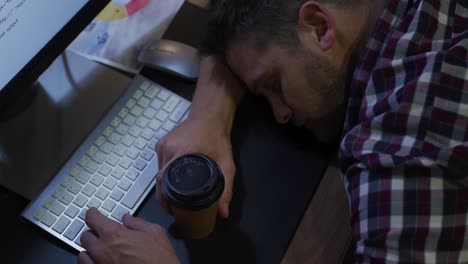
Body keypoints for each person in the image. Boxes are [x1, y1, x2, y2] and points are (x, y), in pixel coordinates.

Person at [78, 0, 468, 263]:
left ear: (318, 26)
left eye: (274, 84)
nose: (280, 114)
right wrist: (207, 116)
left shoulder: (399, 148)